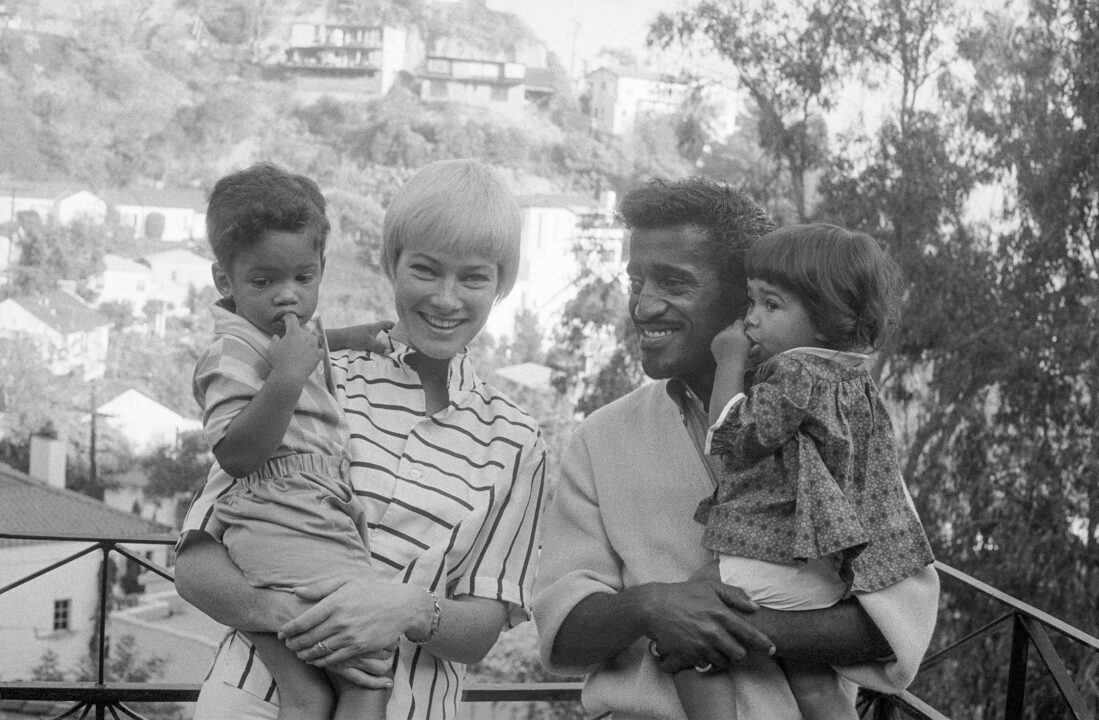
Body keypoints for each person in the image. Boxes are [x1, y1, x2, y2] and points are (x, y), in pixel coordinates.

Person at [534, 178, 940, 720]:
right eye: (637, 280)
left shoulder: (837, 424)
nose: (644, 305)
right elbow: (561, 637)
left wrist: (727, 626)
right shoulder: (599, 440)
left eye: (675, 284)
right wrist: (651, 606)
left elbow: (895, 621)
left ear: (741, 299)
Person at [175, 158, 548, 720]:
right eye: (425, 270)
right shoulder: (306, 374)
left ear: (501, 285)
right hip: (253, 702)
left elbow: (479, 633)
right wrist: (303, 620)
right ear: (391, 264)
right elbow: (196, 567)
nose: (447, 299)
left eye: (474, 277)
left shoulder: (517, 442)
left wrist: (406, 610)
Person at [673, 224, 936, 720]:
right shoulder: (853, 380)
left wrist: (729, 361)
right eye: (751, 302)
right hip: (833, 569)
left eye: (770, 306)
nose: (750, 320)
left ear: (828, 319)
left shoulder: (795, 374)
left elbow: (733, 438)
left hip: (786, 556)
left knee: (691, 621)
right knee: (811, 679)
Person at [192, 162, 390, 720]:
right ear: (224, 281)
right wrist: (287, 380)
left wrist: (356, 338)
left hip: (302, 517)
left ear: (322, 270)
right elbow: (235, 453)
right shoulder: (229, 355)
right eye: (264, 282)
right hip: (287, 516)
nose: (288, 298)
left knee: (308, 693)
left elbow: (308, 341)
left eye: (303, 279)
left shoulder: (280, 338)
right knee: (369, 671)